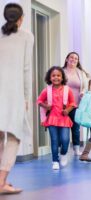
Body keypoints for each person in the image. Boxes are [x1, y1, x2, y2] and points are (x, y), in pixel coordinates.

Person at [0, 3, 34, 194]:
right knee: (14, 136)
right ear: (21, 18)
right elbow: (26, 68)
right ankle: (2, 181)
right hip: (14, 92)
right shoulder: (26, 36)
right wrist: (26, 97)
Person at [37, 67, 76, 170]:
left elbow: (73, 103)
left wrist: (67, 110)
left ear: (62, 77)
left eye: (58, 75)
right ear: (50, 78)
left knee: (65, 139)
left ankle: (63, 153)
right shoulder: (47, 90)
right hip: (52, 119)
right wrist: (46, 106)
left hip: (64, 119)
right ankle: (55, 161)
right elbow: (39, 101)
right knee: (54, 140)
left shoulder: (67, 90)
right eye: (53, 75)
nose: (56, 77)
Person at [63, 52, 89, 155]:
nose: (73, 60)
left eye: (76, 58)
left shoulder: (81, 73)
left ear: (77, 61)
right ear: (67, 59)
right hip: (64, 105)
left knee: (76, 127)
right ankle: (63, 148)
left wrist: (83, 92)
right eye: (71, 57)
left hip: (76, 104)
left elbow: (85, 87)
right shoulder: (61, 71)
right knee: (64, 128)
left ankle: (76, 149)